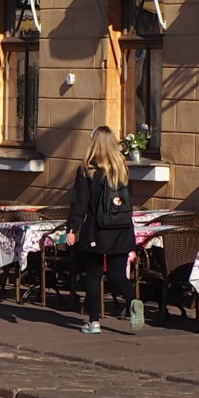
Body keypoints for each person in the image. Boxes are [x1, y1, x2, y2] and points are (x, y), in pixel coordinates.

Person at [67, 124, 140, 334]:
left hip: (96, 229)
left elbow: (79, 202)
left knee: (94, 275)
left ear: (94, 143)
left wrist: (72, 228)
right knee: (118, 275)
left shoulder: (88, 169)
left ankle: (94, 322)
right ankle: (133, 300)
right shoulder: (122, 168)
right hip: (122, 229)